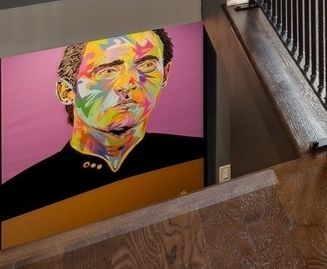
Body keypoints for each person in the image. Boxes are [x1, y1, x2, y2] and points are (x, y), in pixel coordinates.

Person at [1, 28, 203, 222]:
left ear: (165, 74)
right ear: (66, 91)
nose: (128, 84)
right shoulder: (16, 197)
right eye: (107, 71)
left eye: (146, 66)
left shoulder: (197, 154)